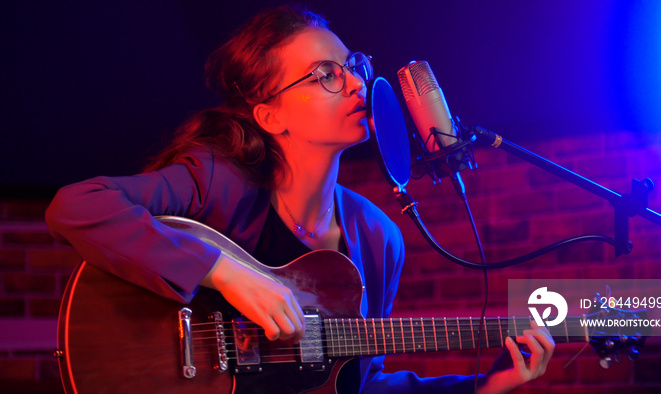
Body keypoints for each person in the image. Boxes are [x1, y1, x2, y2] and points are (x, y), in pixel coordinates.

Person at [45, 4, 554, 393]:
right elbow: (77, 205)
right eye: (326, 74)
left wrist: (488, 385)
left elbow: (357, 384)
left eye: (352, 65)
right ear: (270, 116)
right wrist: (227, 274)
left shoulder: (378, 240)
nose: (356, 82)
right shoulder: (214, 182)